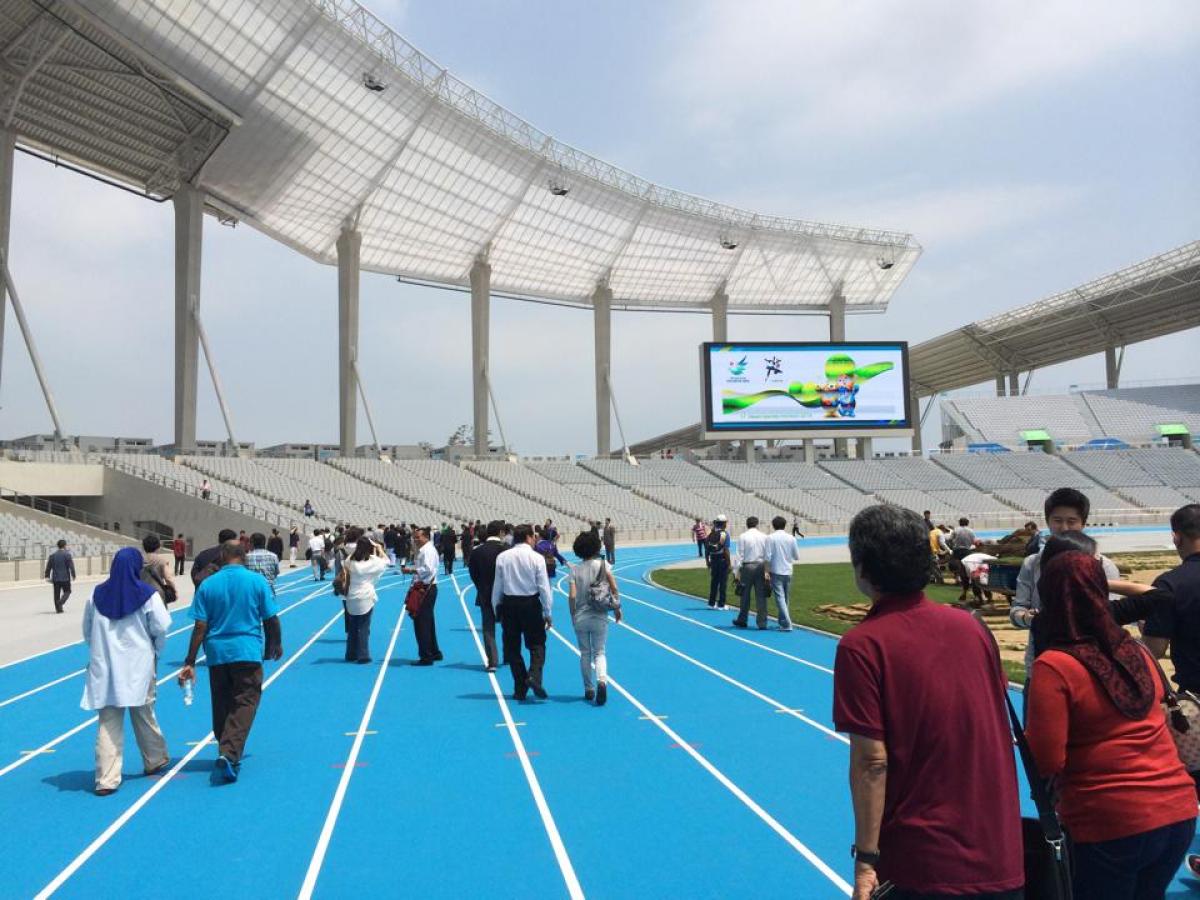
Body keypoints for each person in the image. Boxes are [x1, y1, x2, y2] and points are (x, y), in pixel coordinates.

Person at [832, 505, 1022, 900]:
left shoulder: (862, 646)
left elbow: (871, 762)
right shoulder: (972, 626)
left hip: (923, 862)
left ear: (863, 567)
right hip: (1000, 852)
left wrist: (866, 859)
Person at [1025, 551, 1196, 898]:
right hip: (1177, 810)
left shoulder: (1055, 666)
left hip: (1110, 820)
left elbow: (1047, 759)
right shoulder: (1134, 652)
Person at [179, 542, 282, 783]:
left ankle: (225, 744)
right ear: (243, 557)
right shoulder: (256, 582)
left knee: (222, 701)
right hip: (246, 650)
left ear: (223, 557)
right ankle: (229, 752)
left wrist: (190, 660)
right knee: (245, 701)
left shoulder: (208, 585)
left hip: (216, 653)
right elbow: (271, 618)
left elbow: (200, 626)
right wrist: (274, 644)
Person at [81, 547, 171, 795]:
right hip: (138, 666)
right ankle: (154, 758)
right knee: (143, 712)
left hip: (106, 667)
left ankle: (106, 779)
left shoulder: (96, 594)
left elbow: (87, 630)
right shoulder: (147, 595)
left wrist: (100, 650)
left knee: (108, 721)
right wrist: (156, 651)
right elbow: (161, 626)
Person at [1010, 487, 1120, 680]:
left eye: (1072, 521)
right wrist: (1028, 618)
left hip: (1093, 668)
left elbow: (1115, 616)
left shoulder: (1103, 565)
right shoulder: (1033, 564)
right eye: (1058, 521)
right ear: (1048, 521)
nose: (1064, 528)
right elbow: (1017, 610)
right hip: (1042, 664)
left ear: (1083, 523)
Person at [492, 524, 553, 700]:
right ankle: (534, 676)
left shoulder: (503, 557)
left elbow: (498, 585)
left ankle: (520, 687)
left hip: (510, 604)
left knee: (512, 647)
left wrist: (497, 606)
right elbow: (544, 587)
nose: (535, 540)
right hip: (531, 603)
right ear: (528, 537)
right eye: (533, 537)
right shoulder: (536, 558)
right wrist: (548, 611)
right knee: (537, 644)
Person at [568, 529, 622, 704]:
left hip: (581, 616)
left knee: (585, 653)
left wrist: (573, 615)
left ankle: (589, 688)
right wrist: (617, 607)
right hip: (599, 614)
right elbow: (613, 586)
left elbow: (572, 596)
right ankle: (602, 681)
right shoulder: (603, 565)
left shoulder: (575, 570)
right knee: (600, 652)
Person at [468, 520, 507, 671]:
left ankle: (492, 661)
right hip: (506, 594)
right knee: (508, 626)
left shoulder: (477, 551)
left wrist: (481, 587)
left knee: (488, 628)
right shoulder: (507, 550)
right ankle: (509, 655)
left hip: (485, 593)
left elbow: (473, 573)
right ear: (501, 532)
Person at [401, 527, 443, 665]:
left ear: (426, 537)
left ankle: (426, 656)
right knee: (428, 622)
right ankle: (434, 652)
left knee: (421, 623)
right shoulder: (425, 550)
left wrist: (411, 570)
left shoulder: (427, 551)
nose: (415, 539)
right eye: (414, 537)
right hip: (425, 588)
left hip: (425, 588)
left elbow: (428, 569)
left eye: (418, 537)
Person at [344, 536, 387, 664]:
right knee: (363, 626)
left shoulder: (350, 560)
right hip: (365, 596)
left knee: (352, 626)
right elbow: (386, 561)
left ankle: (350, 653)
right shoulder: (373, 561)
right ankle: (363, 655)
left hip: (351, 595)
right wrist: (379, 548)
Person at [732, 516, 768, 629]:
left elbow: (739, 555)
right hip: (761, 566)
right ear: (757, 524)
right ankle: (762, 622)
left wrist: (736, 572)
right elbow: (768, 555)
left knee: (744, 595)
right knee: (761, 596)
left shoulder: (743, 536)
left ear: (747, 525)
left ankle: (743, 619)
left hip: (747, 566)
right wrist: (767, 571)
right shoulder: (764, 536)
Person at [764, 516, 796, 631]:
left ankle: (787, 623)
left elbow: (767, 556)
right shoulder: (791, 538)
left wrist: (766, 571)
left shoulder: (770, 538)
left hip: (776, 570)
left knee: (780, 598)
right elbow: (796, 556)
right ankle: (783, 621)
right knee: (785, 597)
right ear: (785, 525)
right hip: (788, 570)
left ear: (773, 525)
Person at [140, 534, 178, 605]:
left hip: (141, 593)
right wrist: (174, 591)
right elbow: (168, 578)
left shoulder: (139, 560)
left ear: (144, 547)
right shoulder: (161, 561)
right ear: (158, 547)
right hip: (157, 594)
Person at [705, 515, 730, 609]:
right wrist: (729, 563)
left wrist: (707, 561)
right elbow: (726, 550)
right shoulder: (724, 534)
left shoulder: (711, 533)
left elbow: (707, 549)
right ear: (724, 523)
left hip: (713, 559)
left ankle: (711, 603)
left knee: (714, 582)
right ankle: (721, 604)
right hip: (722, 560)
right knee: (723, 582)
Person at [45, 539, 76, 614]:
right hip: (65, 577)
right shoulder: (67, 555)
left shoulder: (52, 556)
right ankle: (61, 602)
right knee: (67, 591)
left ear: (58, 546)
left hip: (55, 578)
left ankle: (58, 609)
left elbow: (48, 567)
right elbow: (71, 566)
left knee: (56, 594)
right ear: (65, 546)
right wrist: (73, 575)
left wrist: (47, 576)